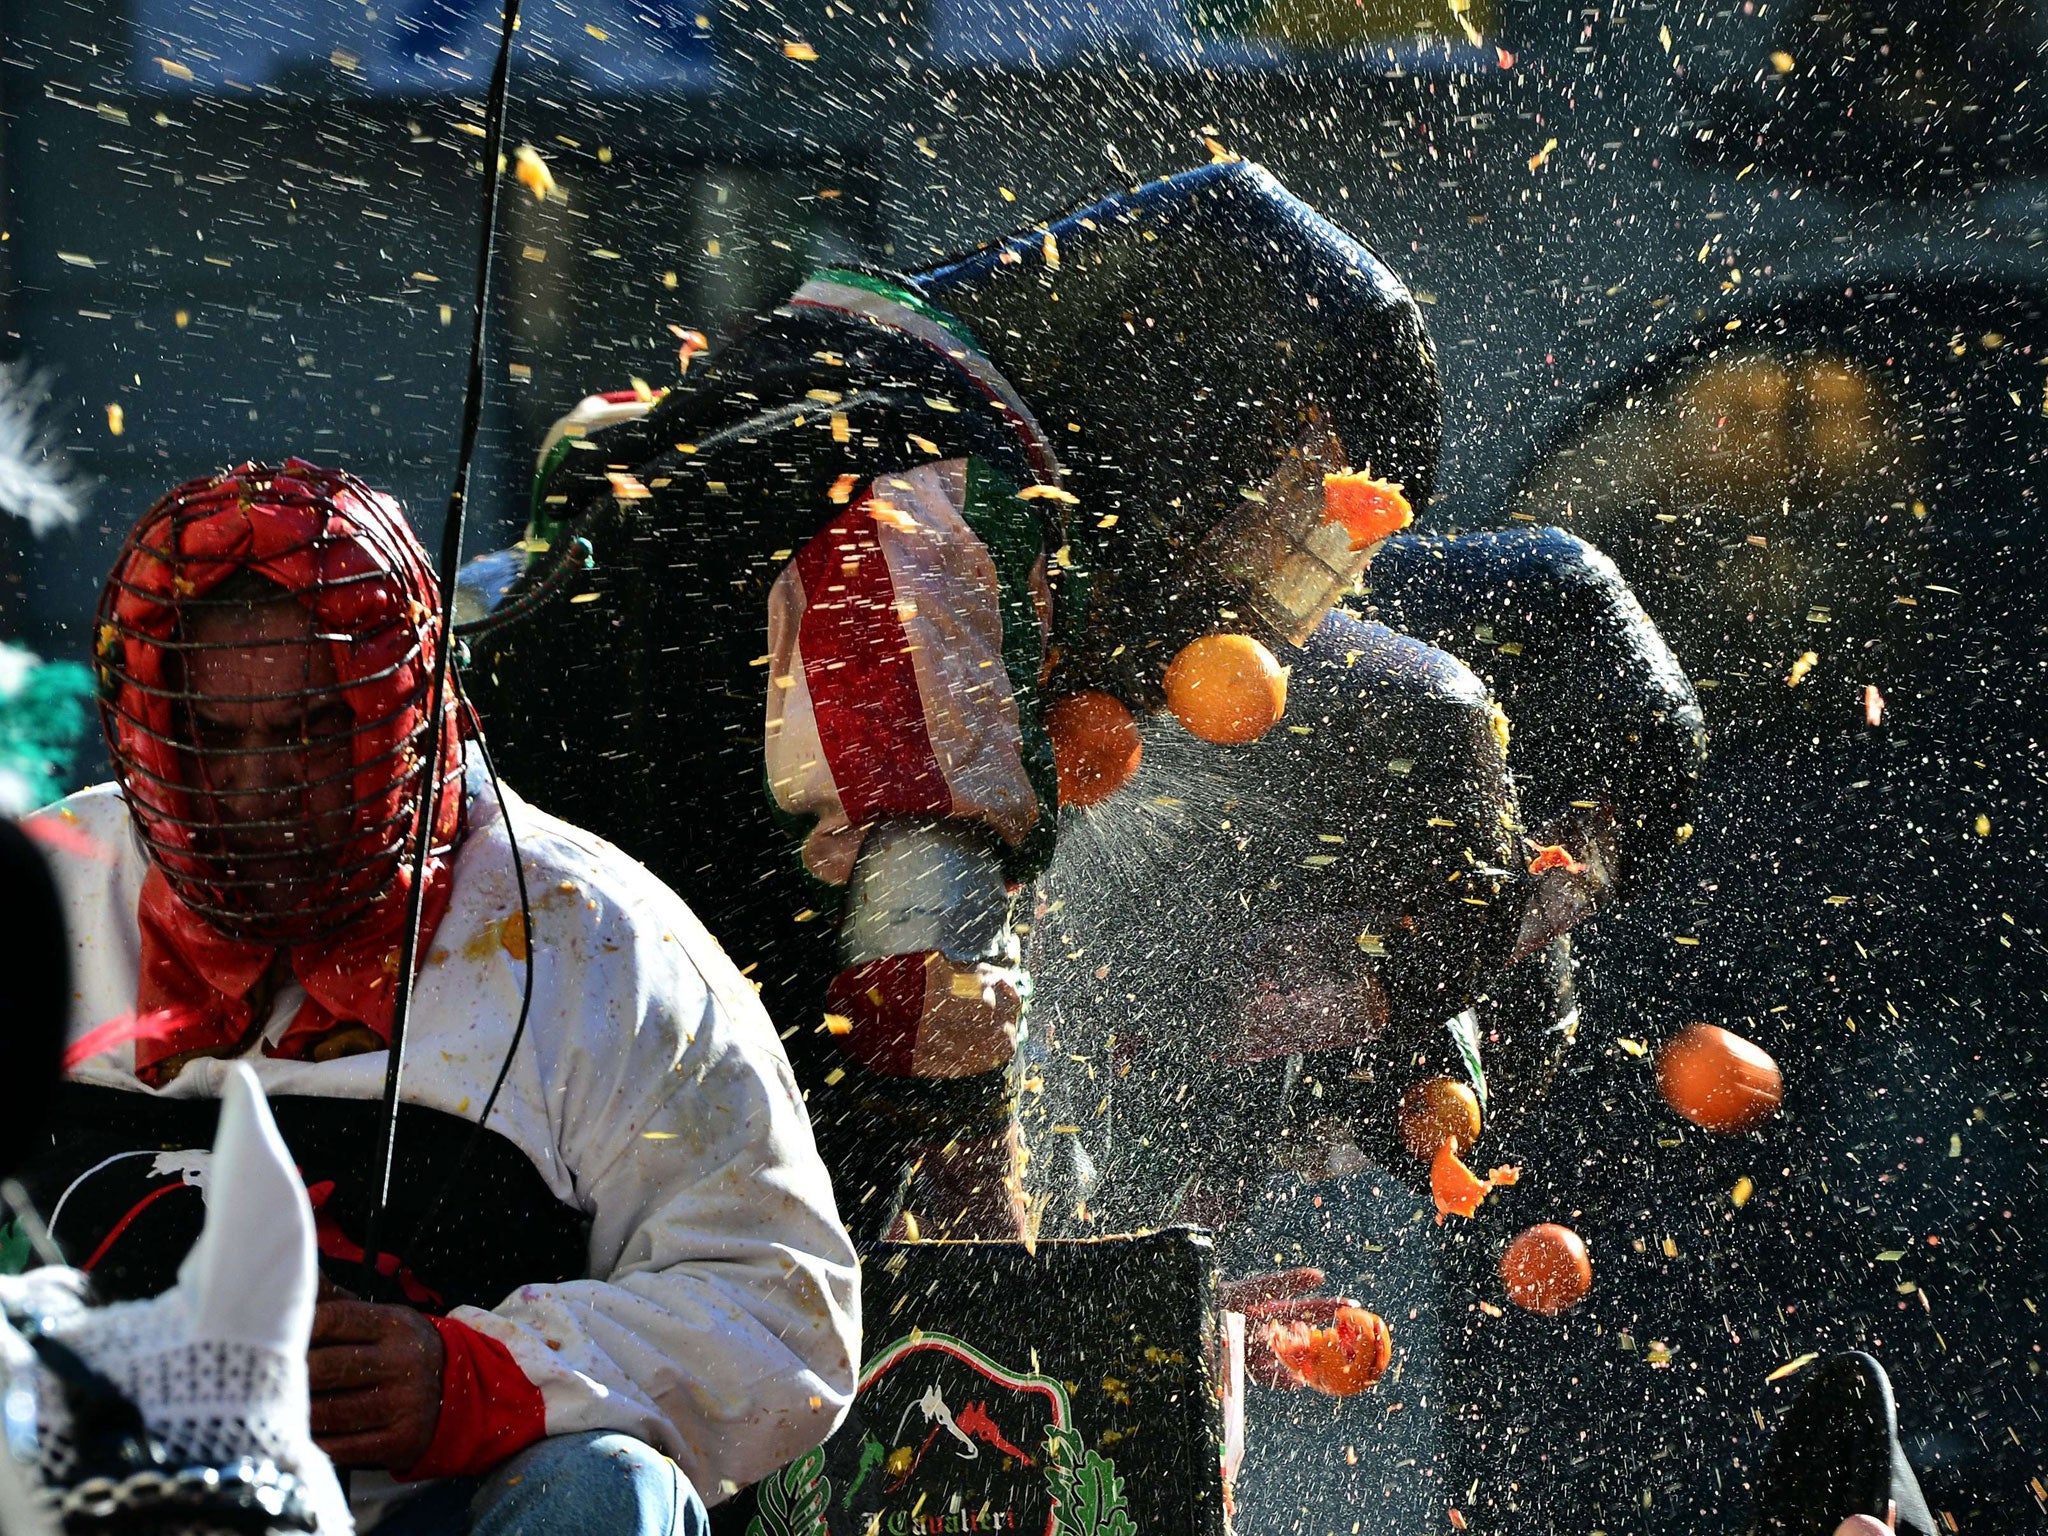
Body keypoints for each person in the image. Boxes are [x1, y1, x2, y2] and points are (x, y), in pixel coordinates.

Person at [465, 159, 1701, 1245]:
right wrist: (1012, 1264)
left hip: (577, 1078)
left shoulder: (834, 402)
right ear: (1194, 395)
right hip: (568, 1127)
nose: (1259, 566)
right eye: (1286, 495)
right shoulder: (930, 481)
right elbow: (921, 979)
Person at [23, 459, 861, 1535]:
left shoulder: (594, 945)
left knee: (603, 1489)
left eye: (310, 730)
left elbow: (785, 1310)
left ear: (408, 714)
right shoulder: (42, 892)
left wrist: (476, 1375)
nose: (256, 786)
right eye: (213, 738)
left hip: (446, 1513)